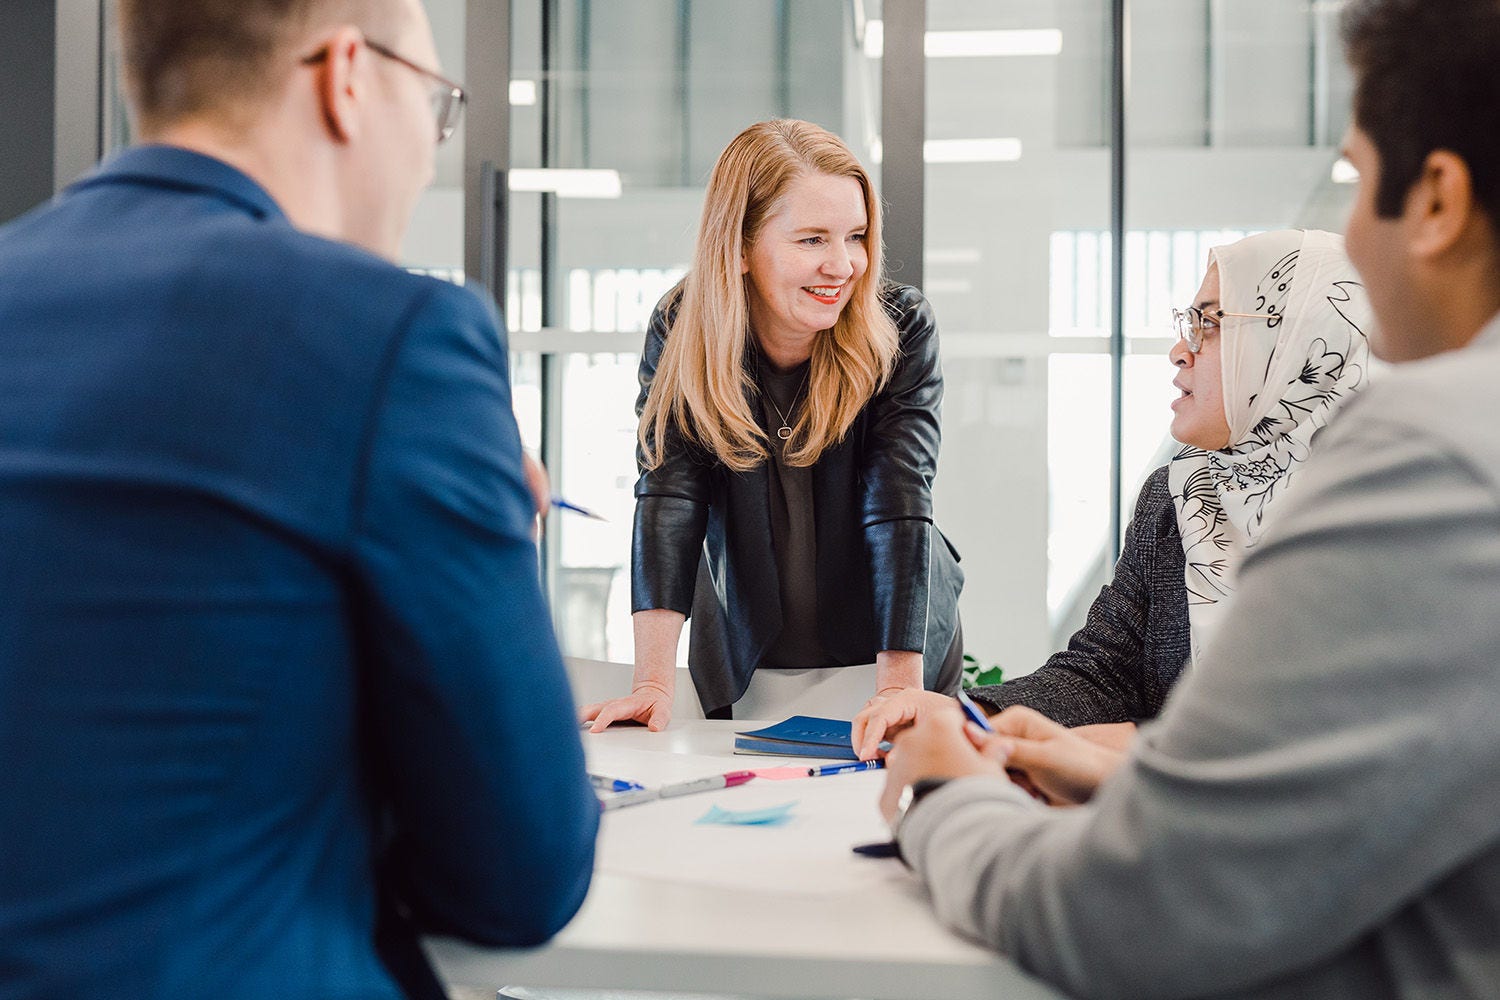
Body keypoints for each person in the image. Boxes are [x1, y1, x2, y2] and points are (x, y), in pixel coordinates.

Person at [876, 0, 1500, 996]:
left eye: (1358, 177)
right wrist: (1078, 754)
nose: (1350, 230)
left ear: (1435, 197)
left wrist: (942, 796)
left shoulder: (1420, 462)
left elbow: (1139, 912)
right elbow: (1343, 806)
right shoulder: (1188, 497)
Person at [0, 2, 598, 998]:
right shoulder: (393, 334)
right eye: (438, 104)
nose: (432, 152)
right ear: (349, 77)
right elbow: (523, 876)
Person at [851, 228, 1372, 759]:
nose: (1179, 351)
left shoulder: (1378, 516)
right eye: (1188, 323)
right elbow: (1103, 675)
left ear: (1300, 347)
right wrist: (968, 714)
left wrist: (1128, 745)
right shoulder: (1180, 497)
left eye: (1210, 325)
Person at [580, 119, 963, 727]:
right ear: (737, 247)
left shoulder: (901, 324)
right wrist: (652, 682)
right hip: (747, 641)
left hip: (891, 642)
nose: (844, 265)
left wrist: (897, 685)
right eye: (812, 239)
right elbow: (669, 495)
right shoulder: (684, 327)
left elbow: (899, 493)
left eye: (856, 236)